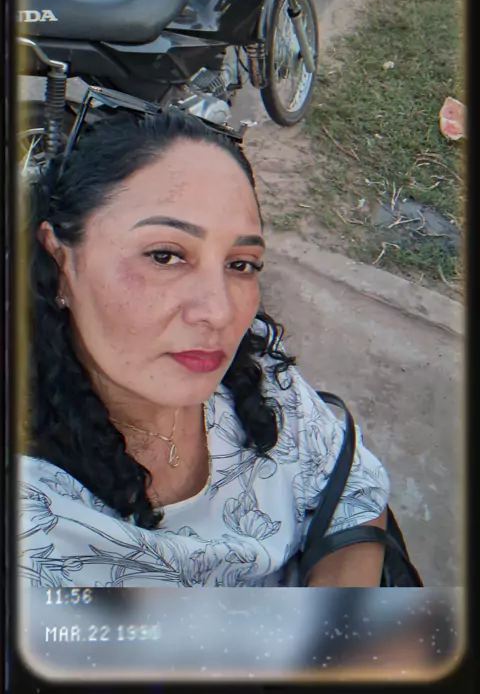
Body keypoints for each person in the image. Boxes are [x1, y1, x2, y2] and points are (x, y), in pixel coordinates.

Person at [18, 108, 389, 588]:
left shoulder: (256, 373)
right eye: (165, 255)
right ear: (60, 262)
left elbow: (354, 488)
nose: (220, 312)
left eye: (241, 264)